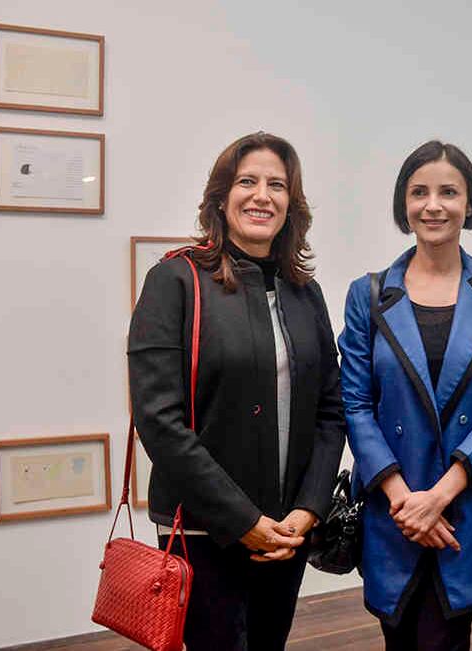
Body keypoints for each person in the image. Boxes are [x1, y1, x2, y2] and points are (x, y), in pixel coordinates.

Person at [128, 131, 345, 651]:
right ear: (221, 197)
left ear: (291, 204)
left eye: (277, 184)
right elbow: (159, 419)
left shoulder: (304, 291)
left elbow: (331, 411)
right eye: (247, 181)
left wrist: (309, 509)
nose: (261, 195)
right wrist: (243, 520)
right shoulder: (174, 281)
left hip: (287, 531)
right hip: (205, 531)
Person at [339, 140, 472, 650]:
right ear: (404, 203)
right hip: (392, 513)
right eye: (419, 192)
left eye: (448, 192)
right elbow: (355, 404)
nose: (433, 205)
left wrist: (437, 499)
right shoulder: (369, 294)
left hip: (460, 511)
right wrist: (405, 502)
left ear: (470, 203)